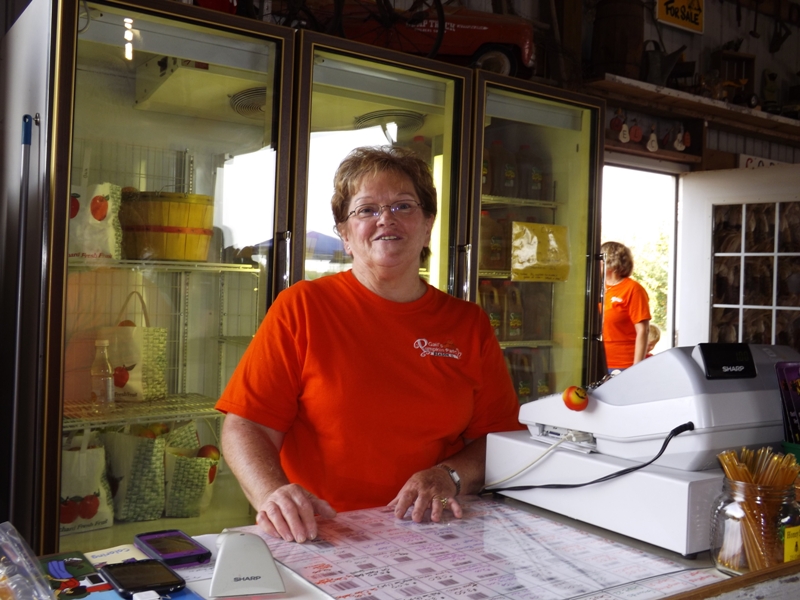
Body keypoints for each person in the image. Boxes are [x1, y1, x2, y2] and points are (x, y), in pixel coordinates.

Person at [216, 146, 521, 544]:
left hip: (436, 534)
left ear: (428, 225)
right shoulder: (302, 307)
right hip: (322, 533)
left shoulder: (468, 324)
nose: (386, 219)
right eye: (366, 210)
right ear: (345, 234)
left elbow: (497, 439)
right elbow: (246, 425)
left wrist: (449, 475)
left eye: (403, 206)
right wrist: (272, 495)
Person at [601, 241, 651, 372]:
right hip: (597, 362)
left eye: (600, 258)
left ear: (610, 261)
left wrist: (636, 368)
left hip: (623, 365)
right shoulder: (596, 288)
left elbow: (643, 330)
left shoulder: (633, 289)